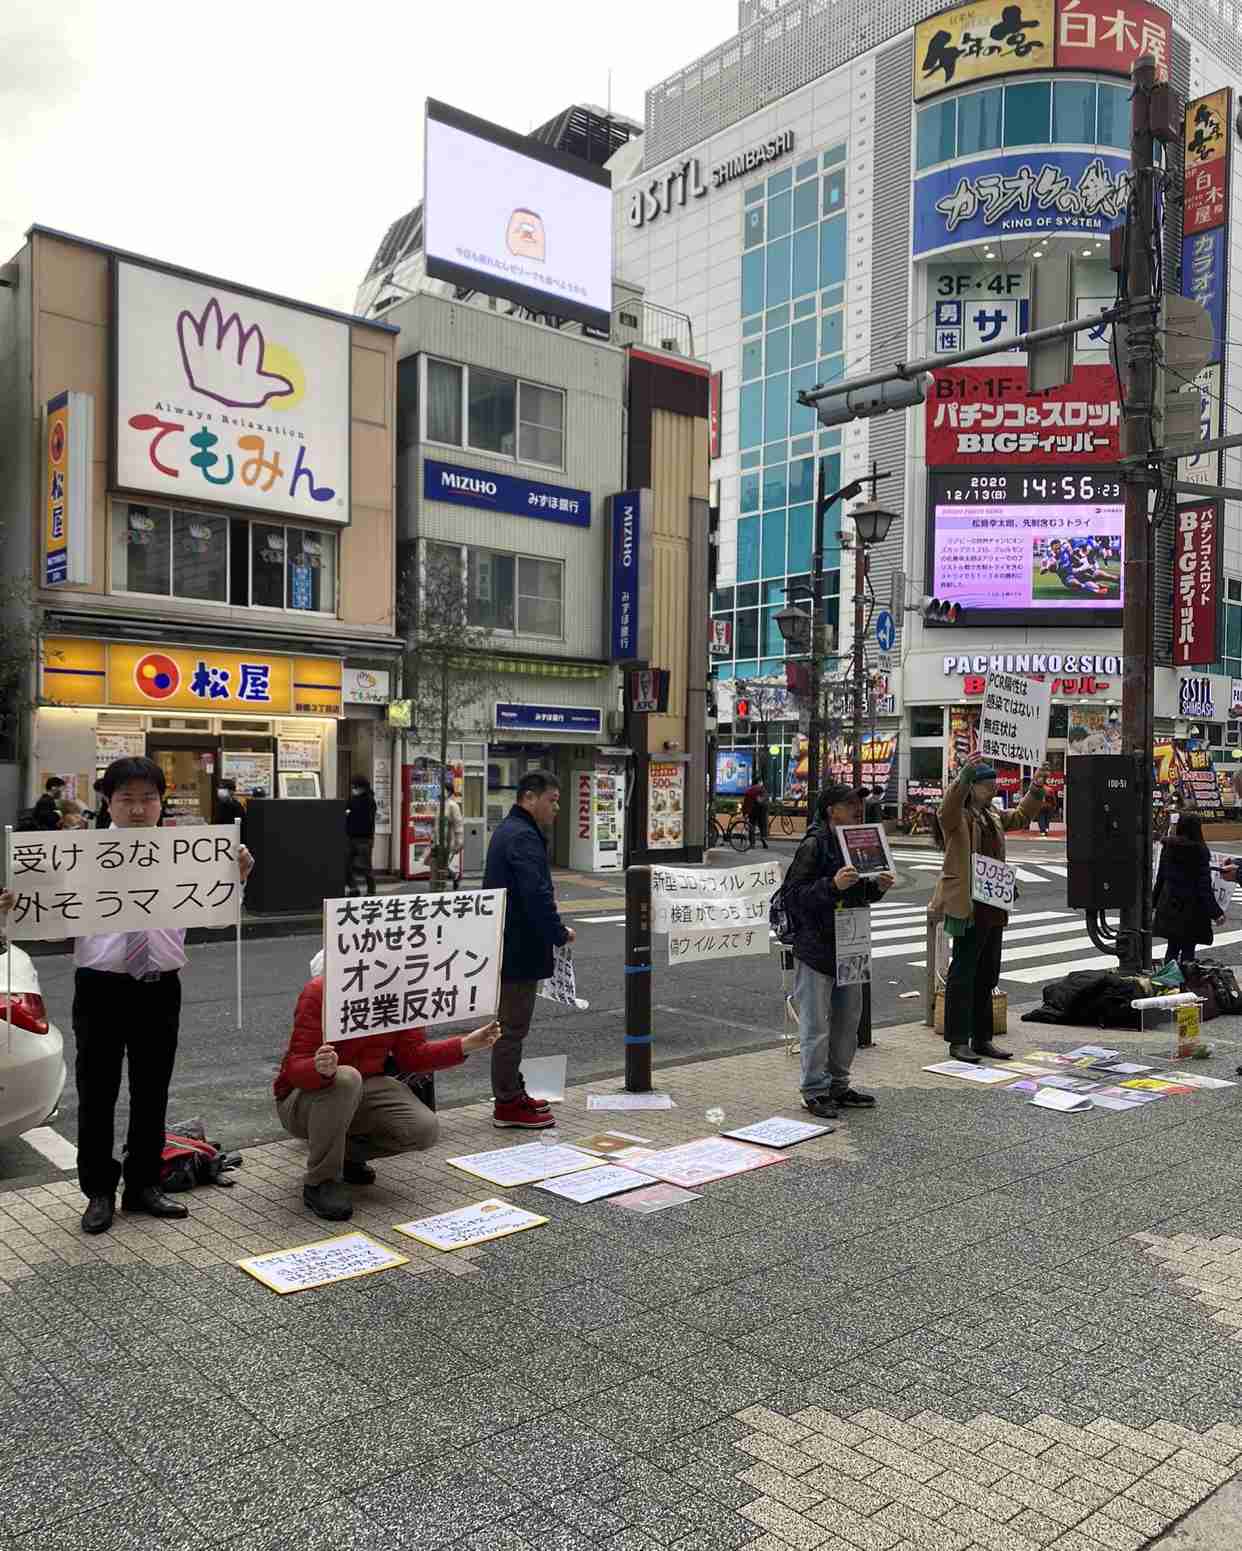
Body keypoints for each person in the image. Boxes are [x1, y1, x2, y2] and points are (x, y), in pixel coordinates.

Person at [0, 756, 254, 1235]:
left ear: (162, 802)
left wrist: (235, 879)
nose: (138, 810)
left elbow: (218, 918)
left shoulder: (187, 853)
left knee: (151, 1091)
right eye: (126, 799)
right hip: (99, 988)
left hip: (160, 988)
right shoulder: (78, 857)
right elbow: (51, 926)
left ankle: (142, 1186)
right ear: (107, 803)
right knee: (97, 1094)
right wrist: (16, 908)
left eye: (148, 799)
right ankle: (98, 1191)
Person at [275, 954, 501, 1220]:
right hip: (304, 1098)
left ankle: (345, 1157)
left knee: (423, 1128)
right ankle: (320, 1181)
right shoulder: (320, 991)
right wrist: (319, 1068)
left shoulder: (401, 990)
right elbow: (295, 1067)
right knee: (346, 1078)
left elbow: (412, 1055)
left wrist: (464, 1045)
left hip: (362, 1087)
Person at [782, 783, 895, 1121]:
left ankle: (839, 1084)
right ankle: (814, 1090)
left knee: (848, 1021)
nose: (858, 809)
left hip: (852, 942)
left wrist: (877, 887)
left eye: (859, 803)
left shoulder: (859, 842)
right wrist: (832, 886)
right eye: (849, 804)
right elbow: (793, 896)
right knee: (816, 1023)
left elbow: (861, 895)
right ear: (832, 810)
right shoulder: (815, 844)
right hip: (817, 945)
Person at [931, 761, 1048, 1064]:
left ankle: (982, 1037)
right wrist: (962, 777)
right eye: (986, 782)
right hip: (966, 902)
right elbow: (947, 809)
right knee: (963, 971)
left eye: (994, 782)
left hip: (993, 901)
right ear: (972, 786)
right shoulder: (958, 816)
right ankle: (958, 1040)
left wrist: (1035, 789)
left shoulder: (991, 814)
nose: (993, 786)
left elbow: (1021, 816)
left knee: (987, 973)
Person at [482, 769, 574, 1129]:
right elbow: (535, 893)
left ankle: (511, 1093)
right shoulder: (522, 836)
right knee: (512, 1027)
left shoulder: (511, 831)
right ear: (529, 798)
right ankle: (507, 1104)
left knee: (511, 1026)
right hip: (518, 947)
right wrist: (558, 932)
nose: (556, 807)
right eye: (551, 800)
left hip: (510, 941)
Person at [1154, 813, 1224, 965]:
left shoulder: (1168, 847)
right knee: (1188, 950)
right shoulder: (1199, 851)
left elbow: (1160, 878)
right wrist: (1216, 913)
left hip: (1170, 905)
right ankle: (1186, 983)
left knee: (1172, 948)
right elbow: (1204, 887)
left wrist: (1153, 903)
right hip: (1192, 909)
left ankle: (1169, 983)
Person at [344, 775, 377, 897]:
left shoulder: (369, 801)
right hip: (354, 837)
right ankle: (354, 888)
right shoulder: (353, 799)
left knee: (365, 866)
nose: (353, 789)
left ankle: (370, 891)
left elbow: (349, 814)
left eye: (355, 787)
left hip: (363, 839)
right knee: (346, 864)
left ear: (361, 788)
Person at [742, 778, 770, 848]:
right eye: (761, 782)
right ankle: (764, 842)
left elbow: (746, 803)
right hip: (762, 810)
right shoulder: (762, 789)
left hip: (752, 811)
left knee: (752, 826)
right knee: (762, 826)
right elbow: (766, 800)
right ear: (759, 782)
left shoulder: (749, 790)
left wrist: (744, 813)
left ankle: (752, 844)